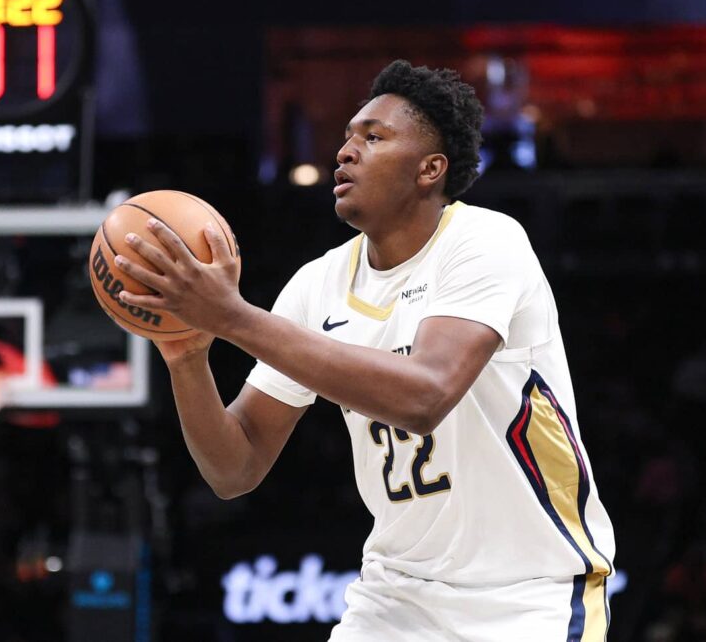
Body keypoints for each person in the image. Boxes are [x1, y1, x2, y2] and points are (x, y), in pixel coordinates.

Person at [113, 60, 615, 641]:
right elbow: (235, 467)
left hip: (528, 597)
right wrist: (186, 357)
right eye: (348, 137)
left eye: (373, 138)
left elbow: (426, 394)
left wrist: (231, 316)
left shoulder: (485, 242)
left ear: (431, 169)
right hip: (394, 598)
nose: (345, 152)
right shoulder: (316, 285)